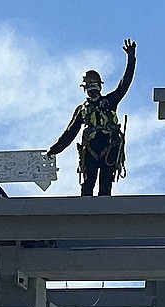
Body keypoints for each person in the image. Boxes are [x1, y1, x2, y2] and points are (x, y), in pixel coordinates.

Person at [47, 39, 136, 196]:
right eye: (89, 88)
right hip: (90, 150)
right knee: (87, 186)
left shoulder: (110, 102)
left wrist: (131, 59)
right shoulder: (82, 110)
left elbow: (125, 83)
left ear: (100, 87)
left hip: (109, 148)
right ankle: (85, 214)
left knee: (105, 186)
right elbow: (70, 133)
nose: (92, 92)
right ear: (85, 90)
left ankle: (103, 213)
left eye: (94, 88)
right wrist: (55, 150)